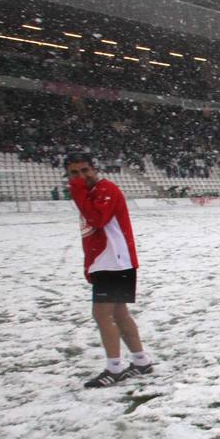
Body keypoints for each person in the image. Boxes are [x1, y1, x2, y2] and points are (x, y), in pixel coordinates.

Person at [65, 152, 154, 388]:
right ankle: (141, 360)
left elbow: (96, 219)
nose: (81, 177)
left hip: (113, 261)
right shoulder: (93, 192)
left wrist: (77, 190)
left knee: (102, 315)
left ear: (94, 169)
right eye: (74, 173)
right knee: (119, 313)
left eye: (85, 170)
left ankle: (114, 368)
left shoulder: (105, 190)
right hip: (114, 260)